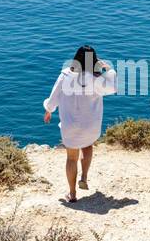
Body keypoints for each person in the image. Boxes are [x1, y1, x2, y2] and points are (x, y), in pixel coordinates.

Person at [43, 45, 118, 202]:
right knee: (88, 145)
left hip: (70, 125)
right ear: (94, 60)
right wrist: (108, 68)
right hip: (90, 124)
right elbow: (113, 87)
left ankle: (72, 194)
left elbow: (54, 96)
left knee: (71, 158)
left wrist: (49, 109)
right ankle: (83, 177)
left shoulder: (65, 76)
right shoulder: (97, 79)